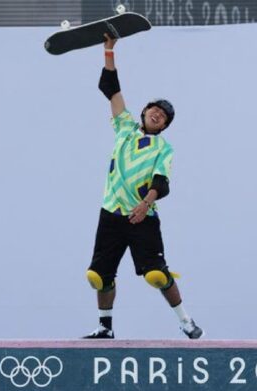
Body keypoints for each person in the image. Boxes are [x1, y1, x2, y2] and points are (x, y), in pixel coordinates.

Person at [83, 34, 203, 339]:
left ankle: (186, 321)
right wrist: (109, 49)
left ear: (162, 126)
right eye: (155, 109)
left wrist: (145, 203)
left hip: (142, 218)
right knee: (98, 276)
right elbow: (111, 90)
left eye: (163, 116)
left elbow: (162, 182)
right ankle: (104, 328)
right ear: (145, 111)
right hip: (111, 212)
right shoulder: (124, 127)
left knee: (154, 275)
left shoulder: (164, 149)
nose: (157, 114)